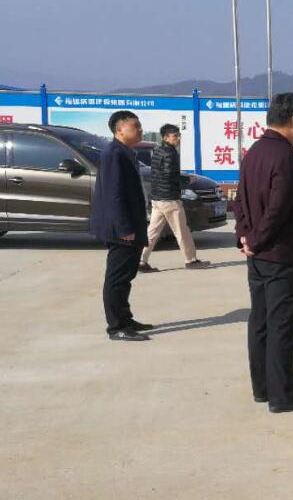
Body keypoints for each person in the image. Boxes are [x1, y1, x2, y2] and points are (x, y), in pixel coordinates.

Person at [234, 93, 293, 413]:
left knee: (260, 322)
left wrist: (245, 237)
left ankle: (263, 388)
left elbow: (239, 201)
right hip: (283, 255)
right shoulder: (286, 157)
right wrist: (256, 239)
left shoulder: (254, 152)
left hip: (258, 256)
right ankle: (283, 395)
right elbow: (278, 209)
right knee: (283, 325)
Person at [90, 110, 151, 342]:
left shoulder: (126, 152)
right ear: (119, 130)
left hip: (130, 225)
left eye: (140, 125)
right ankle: (116, 327)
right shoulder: (114, 154)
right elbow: (113, 195)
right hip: (121, 230)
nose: (140, 130)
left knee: (126, 277)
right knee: (117, 279)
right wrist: (124, 228)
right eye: (135, 126)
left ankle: (126, 319)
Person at [138, 124, 211, 273]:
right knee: (182, 231)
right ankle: (191, 260)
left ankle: (141, 260)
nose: (178, 138)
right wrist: (187, 180)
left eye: (178, 135)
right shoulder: (170, 153)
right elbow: (169, 175)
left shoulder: (157, 150)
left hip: (157, 198)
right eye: (175, 136)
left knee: (152, 232)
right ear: (166, 137)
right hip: (169, 199)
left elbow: (160, 174)